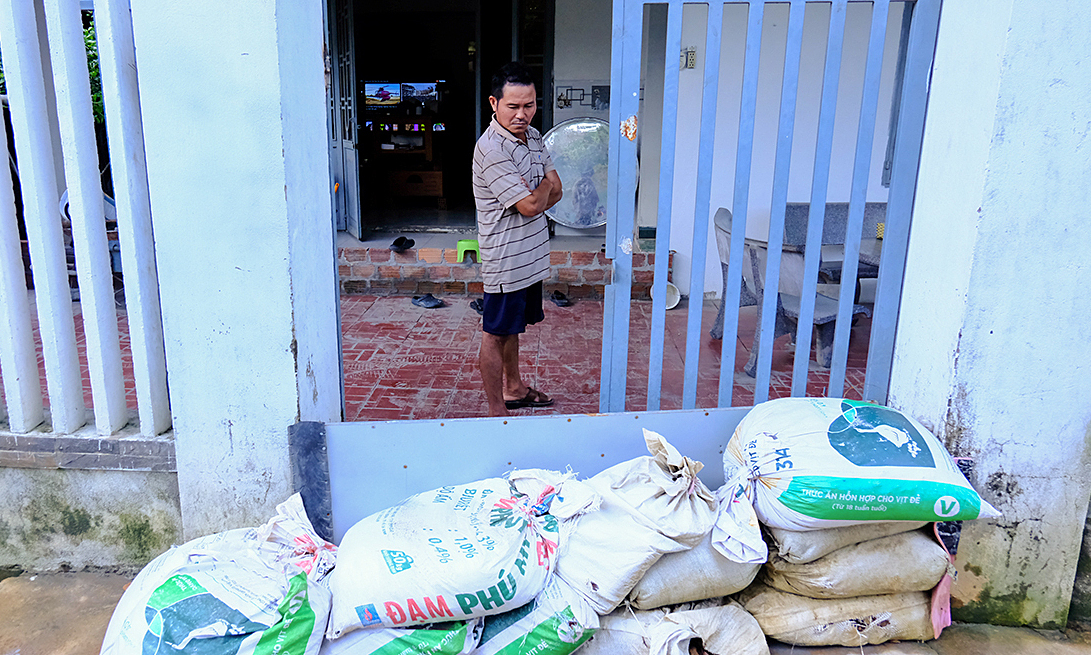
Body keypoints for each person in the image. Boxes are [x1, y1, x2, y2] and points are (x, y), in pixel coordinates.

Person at [472, 62, 563, 416]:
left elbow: (558, 192)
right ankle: (497, 412)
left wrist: (540, 192)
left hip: (530, 257)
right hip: (506, 260)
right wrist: (542, 188)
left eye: (529, 105)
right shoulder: (492, 149)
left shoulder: (535, 137)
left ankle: (514, 388)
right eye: (513, 106)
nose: (522, 114)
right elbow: (530, 204)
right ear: (494, 103)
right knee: (494, 333)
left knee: (513, 330)